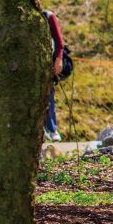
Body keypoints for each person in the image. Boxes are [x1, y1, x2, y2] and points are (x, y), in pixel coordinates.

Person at [41, 9, 69, 143]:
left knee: (48, 96)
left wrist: (58, 59)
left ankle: (52, 130)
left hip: (47, 64)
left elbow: (59, 42)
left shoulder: (48, 16)